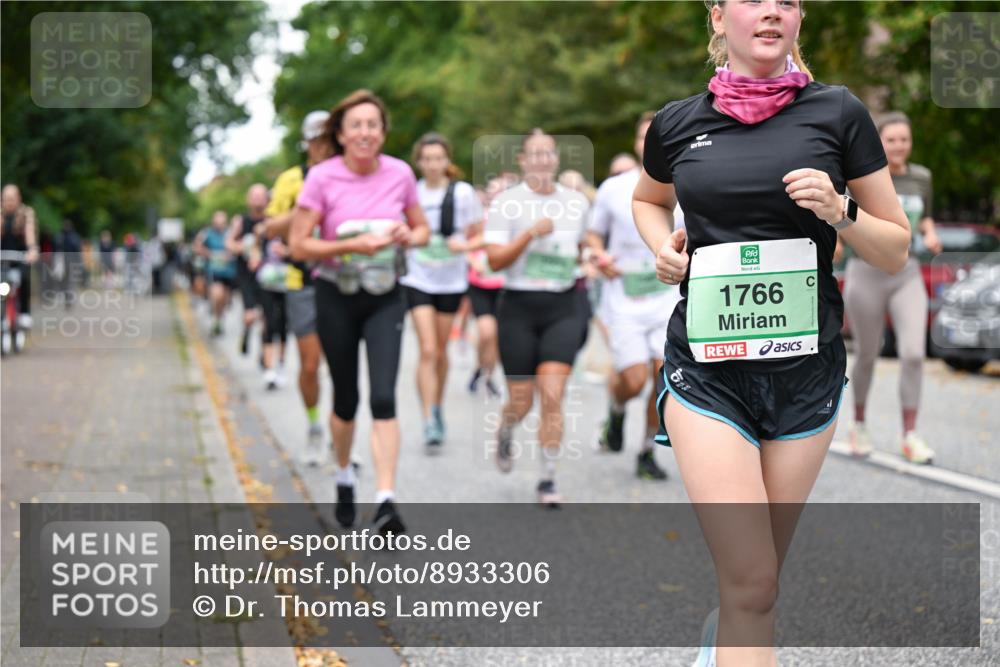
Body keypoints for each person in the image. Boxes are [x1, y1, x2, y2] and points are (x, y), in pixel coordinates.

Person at [632, 1, 911, 665]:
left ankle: (723, 634)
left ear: (798, 19)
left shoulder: (838, 112)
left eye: (787, 0)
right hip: (708, 371)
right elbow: (647, 199)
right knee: (753, 579)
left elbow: (895, 248)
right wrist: (662, 251)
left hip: (804, 373)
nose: (772, 12)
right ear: (719, 13)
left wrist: (840, 211)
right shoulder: (677, 123)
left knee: (755, 585)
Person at [290, 90, 430, 535]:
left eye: (373, 125)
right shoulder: (321, 178)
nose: (366, 132)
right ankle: (344, 476)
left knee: (384, 398)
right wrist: (351, 245)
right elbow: (299, 245)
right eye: (357, 125)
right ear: (341, 134)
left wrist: (410, 235)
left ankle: (386, 499)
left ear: (383, 132)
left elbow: (423, 227)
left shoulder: (401, 174)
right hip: (336, 294)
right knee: (346, 400)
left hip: (386, 293)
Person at [484, 129, 590, 507]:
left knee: (552, 392)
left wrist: (593, 259)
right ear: (523, 161)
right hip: (518, 308)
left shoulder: (575, 202)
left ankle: (547, 478)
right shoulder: (506, 203)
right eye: (535, 154)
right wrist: (529, 233)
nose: (543, 161)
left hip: (563, 306)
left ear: (557, 159)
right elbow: (493, 261)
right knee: (522, 398)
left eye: (549, 154)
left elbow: (581, 248)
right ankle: (507, 425)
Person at [587, 112, 682, 481]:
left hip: (667, 295)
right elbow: (594, 237)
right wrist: (599, 255)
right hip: (624, 296)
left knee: (662, 379)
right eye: (645, 137)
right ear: (637, 144)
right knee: (632, 379)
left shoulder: (686, 181)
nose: (651, 143)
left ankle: (645, 451)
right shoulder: (615, 188)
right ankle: (616, 409)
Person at [842, 111, 940, 464]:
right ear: (879, 142)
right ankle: (859, 425)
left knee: (914, 353)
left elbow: (924, 215)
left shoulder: (921, 178)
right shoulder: (865, 178)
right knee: (868, 352)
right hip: (865, 271)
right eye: (892, 139)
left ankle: (910, 435)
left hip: (906, 272)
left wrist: (929, 232)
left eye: (904, 139)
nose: (899, 146)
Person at [401, 133, 484, 450]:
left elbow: (479, 234)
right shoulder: (412, 193)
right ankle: (428, 418)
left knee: (441, 352)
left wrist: (464, 245)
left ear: (447, 161)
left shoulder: (463, 194)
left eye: (439, 158)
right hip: (418, 277)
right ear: (419, 162)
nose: (434, 164)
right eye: (427, 159)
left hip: (451, 280)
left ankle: (437, 405)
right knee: (427, 349)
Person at [263, 110, 334, 464]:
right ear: (306, 143)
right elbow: (270, 226)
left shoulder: (347, 175)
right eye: (316, 140)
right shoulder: (292, 179)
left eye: (328, 140)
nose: (322, 147)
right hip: (301, 279)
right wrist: (308, 205)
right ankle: (314, 425)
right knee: (310, 365)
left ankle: (341, 430)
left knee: (342, 364)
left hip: (341, 279)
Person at [466, 177, 510, 398]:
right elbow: (464, 242)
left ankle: (486, 374)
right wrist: (472, 260)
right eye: (495, 190)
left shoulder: (515, 219)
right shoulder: (478, 218)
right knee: (486, 332)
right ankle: (481, 369)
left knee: (495, 336)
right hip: (480, 283)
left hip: (503, 284)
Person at [227, 184, 268, 358]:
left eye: (261, 196)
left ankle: (264, 352)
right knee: (250, 315)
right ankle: (247, 332)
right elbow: (229, 242)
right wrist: (242, 248)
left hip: (267, 276)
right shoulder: (241, 221)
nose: (257, 199)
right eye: (254, 196)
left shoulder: (272, 221)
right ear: (248, 200)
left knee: (267, 318)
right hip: (246, 276)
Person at [1, 184, 39, 329]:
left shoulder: (26, 214)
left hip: (20, 258)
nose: (9, 202)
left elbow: (30, 233)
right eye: (5, 199)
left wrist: (32, 250)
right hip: (2, 259)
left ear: (18, 199)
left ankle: (24, 312)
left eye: (11, 198)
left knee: (24, 279)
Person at [194, 211, 237, 336]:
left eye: (222, 222)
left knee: (224, 299)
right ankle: (216, 319)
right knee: (217, 294)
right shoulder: (206, 233)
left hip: (229, 272)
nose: (220, 225)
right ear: (213, 222)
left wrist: (230, 254)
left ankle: (219, 318)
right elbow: (197, 247)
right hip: (214, 271)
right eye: (218, 222)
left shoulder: (230, 233)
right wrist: (210, 254)